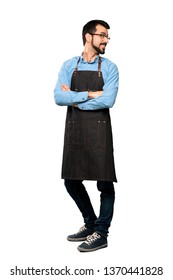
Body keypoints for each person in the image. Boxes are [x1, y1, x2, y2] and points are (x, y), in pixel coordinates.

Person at [54, 19, 119, 252]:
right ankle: (90, 222)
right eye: (102, 35)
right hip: (75, 131)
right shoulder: (69, 65)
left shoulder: (110, 67)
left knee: (105, 181)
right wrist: (92, 94)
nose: (106, 40)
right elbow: (59, 98)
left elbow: (108, 100)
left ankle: (101, 233)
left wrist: (76, 99)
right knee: (71, 180)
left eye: (107, 36)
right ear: (88, 36)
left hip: (100, 130)